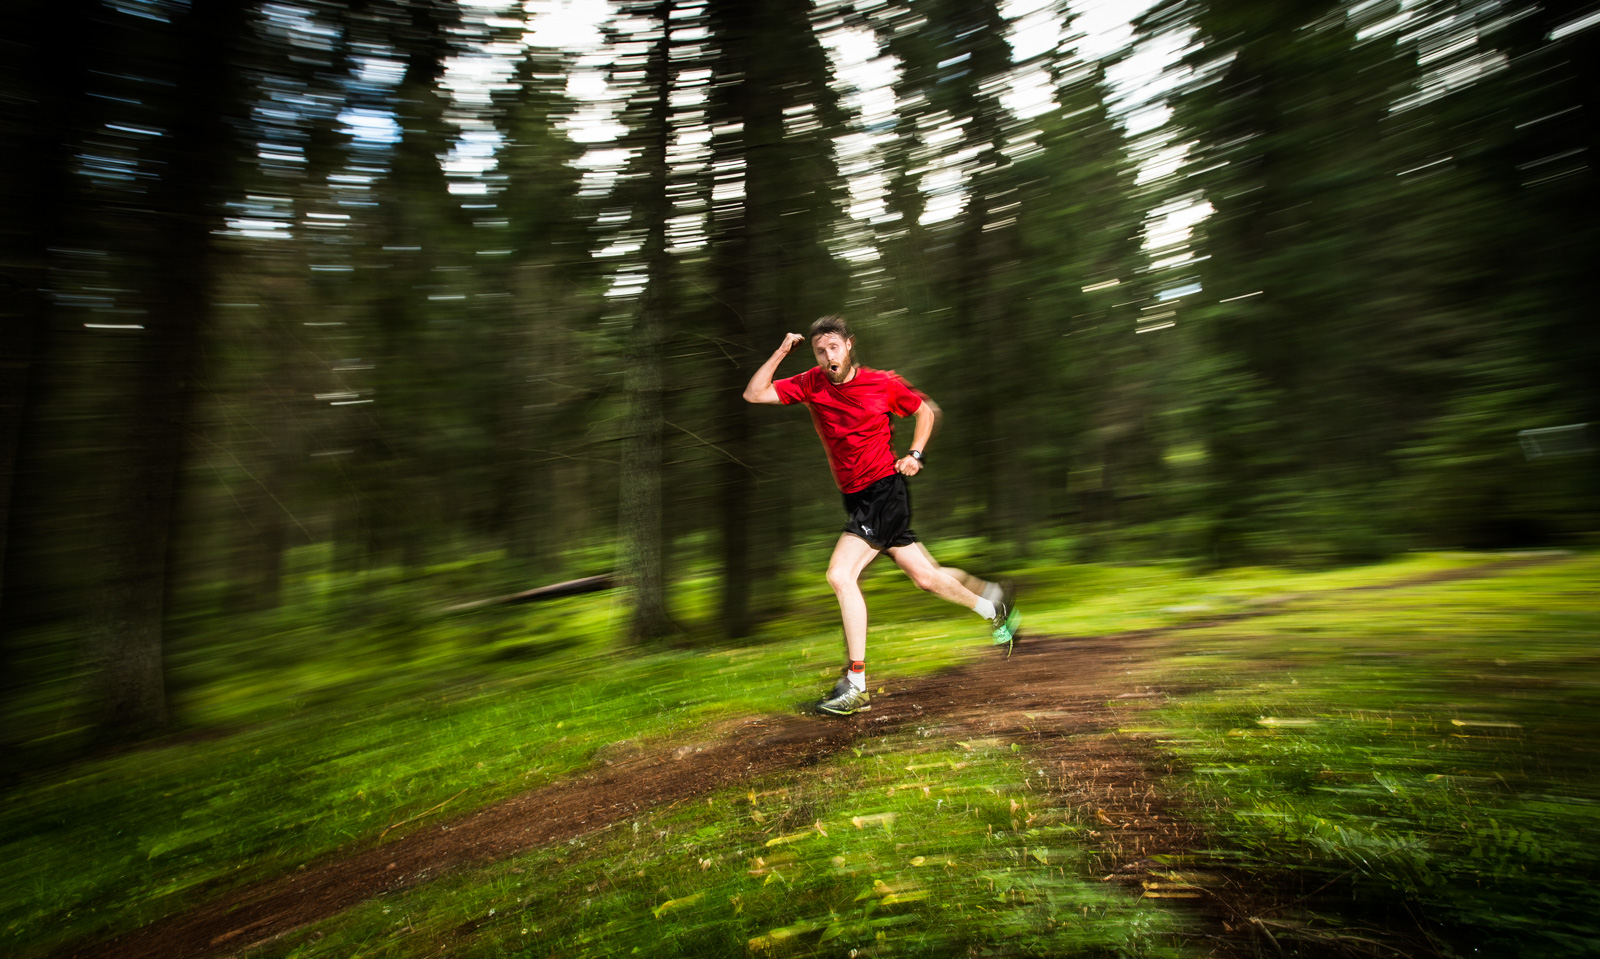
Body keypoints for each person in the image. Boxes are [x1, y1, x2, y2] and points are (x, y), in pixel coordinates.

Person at [742, 315, 1020, 716]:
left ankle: (856, 683)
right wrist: (784, 351)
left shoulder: (881, 383)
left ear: (849, 345)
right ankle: (995, 607)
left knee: (840, 574)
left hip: (884, 491)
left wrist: (915, 454)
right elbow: (754, 394)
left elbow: (925, 411)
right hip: (855, 497)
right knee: (927, 577)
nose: (826, 356)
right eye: (820, 350)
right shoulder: (809, 383)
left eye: (833, 347)